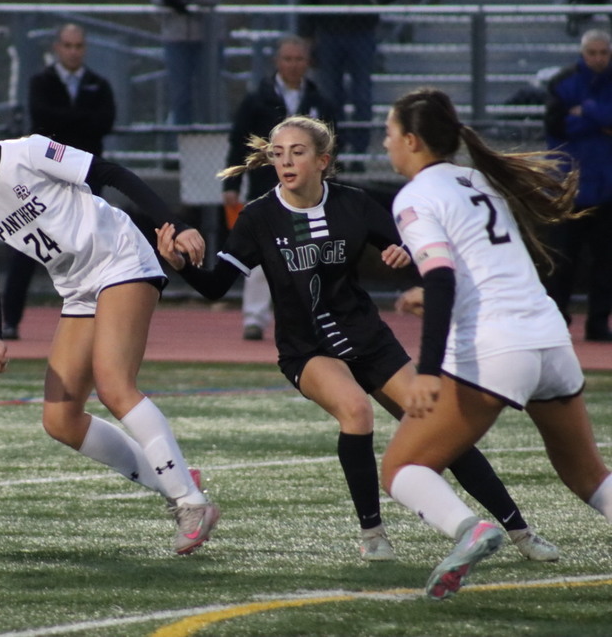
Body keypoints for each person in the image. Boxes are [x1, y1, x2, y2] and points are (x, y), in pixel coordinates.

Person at [154, 115, 558, 562]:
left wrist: (403, 255)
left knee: (437, 423)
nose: (286, 161)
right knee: (357, 410)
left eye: (298, 152)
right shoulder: (259, 217)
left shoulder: (355, 204)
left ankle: (521, 532)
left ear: (323, 160)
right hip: (306, 349)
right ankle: (374, 536)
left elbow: (418, 254)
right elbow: (215, 286)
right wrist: (179, 265)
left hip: (367, 337)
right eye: (278, 153)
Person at [0, 93, 219, 554]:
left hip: (121, 257)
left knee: (114, 385)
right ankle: (173, 478)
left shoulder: (29, 152)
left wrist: (174, 223)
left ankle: (190, 501)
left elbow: (111, 174)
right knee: (60, 419)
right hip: (78, 288)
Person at [380, 87, 612, 599]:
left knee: (401, 468)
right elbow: (480, 266)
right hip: (550, 338)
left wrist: (427, 368)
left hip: (497, 348)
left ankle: (471, 529)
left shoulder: (414, 196)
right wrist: (439, 295)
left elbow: (441, 277)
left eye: (390, 133)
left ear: (413, 141)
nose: (385, 144)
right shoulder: (476, 178)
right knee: (589, 476)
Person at [2, 23, 116, 340]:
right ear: (57, 47)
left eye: (79, 46)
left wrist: (66, 121)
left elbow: (104, 122)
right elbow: (42, 118)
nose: (73, 51)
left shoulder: (98, 84)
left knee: (91, 247)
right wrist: (79, 121)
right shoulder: (42, 81)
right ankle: (9, 319)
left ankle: (98, 316)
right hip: (46, 181)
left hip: (86, 178)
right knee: (28, 244)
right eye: (67, 45)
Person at [221, 35, 337, 341]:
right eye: (288, 59)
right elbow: (239, 144)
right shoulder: (257, 99)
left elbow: (331, 148)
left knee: (309, 253)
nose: (293, 65)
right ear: (277, 61)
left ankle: (311, 316)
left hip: (307, 193)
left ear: (308, 63)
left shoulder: (320, 102)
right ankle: (255, 318)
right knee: (260, 255)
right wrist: (233, 183)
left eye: (299, 59)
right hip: (264, 189)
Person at [543, 28, 612, 342]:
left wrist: (585, 111)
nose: (598, 58)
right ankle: (557, 322)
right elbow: (557, 125)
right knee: (562, 261)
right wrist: (601, 122)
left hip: (607, 188)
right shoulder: (562, 82)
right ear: (583, 54)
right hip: (569, 188)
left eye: (604, 52)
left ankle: (598, 324)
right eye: (593, 53)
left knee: (605, 263)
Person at [298, 0, 406, 168]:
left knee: (361, 96)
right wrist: (306, 33)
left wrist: (371, 1)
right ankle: (334, 152)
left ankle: (358, 154)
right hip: (328, 31)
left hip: (361, 31)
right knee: (330, 97)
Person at [149, 0, 229, 126]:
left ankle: (211, 140)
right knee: (180, 96)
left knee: (210, 95)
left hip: (209, 39)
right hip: (175, 37)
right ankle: (181, 141)